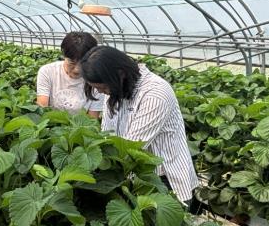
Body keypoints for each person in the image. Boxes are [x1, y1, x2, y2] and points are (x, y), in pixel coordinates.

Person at [79, 46, 199, 204]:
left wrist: (94, 162)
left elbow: (131, 147)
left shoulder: (155, 94)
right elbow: (107, 134)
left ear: (120, 74)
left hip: (165, 181)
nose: (100, 92)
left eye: (102, 87)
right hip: (132, 178)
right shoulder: (115, 89)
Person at [36, 31, 103, 117]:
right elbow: (42, 108)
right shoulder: (47, 71)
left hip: (78, 125)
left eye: (83, 63)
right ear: (64, 55)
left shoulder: (98, 82)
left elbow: (91, 120)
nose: (77, 70)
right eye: (72, 62)